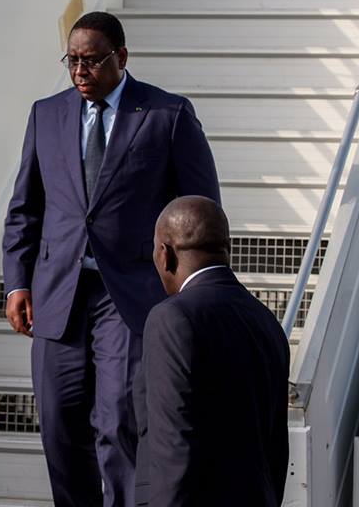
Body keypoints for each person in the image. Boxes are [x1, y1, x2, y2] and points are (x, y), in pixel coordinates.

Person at [2, 11, 221, 506]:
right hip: (58, 293)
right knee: (59, 422)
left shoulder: (167, 114)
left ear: (121, 58)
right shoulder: (46, 114)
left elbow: (200, 209)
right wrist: (17, 284)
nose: (81, 72)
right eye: (73, 62)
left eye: (92, 61)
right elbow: (25, 209)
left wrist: (192, 288)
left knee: (118, 420)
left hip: (131, 293)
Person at [134, 196, 290, 506]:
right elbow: (275, 450)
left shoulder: (170, 318)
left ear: (165, 255)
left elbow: (172, 449)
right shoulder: (265, 321)